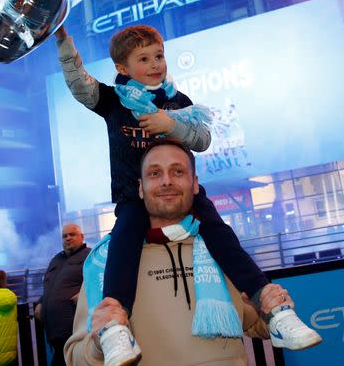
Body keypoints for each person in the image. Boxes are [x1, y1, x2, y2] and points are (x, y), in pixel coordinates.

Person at [55, 25, 319, 365]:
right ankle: (115, 328)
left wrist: (172, 125)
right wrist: (63, 41)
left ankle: (274, 308)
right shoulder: (113, 102)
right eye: (144, 58)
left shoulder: (179, 102)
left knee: (223, 238)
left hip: (188, 201)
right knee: (123, 245)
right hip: (132, 200)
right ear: (123, 68)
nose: (155, 64)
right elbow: (79, 85)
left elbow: (203, 139)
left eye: (159, 56)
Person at [66, 140, 312, 366]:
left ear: (195, 183)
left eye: (178, 171)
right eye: (155, 173)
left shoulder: (221, 250)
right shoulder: (107, 263)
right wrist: (99, 344)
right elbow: (75, 357)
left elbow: (252, 321)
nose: (166, 181)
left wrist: (269, 311)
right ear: (140, 188)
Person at [36, 223, 91, 366]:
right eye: (64, 236)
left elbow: (100, 280)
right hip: (55, 331)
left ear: (82, 237)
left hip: (75, 329)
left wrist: (84, 295)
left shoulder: (89, 255)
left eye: (72, 234)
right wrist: (41, 302)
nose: (68, 238)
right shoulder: (56, 260)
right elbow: (50, 285)